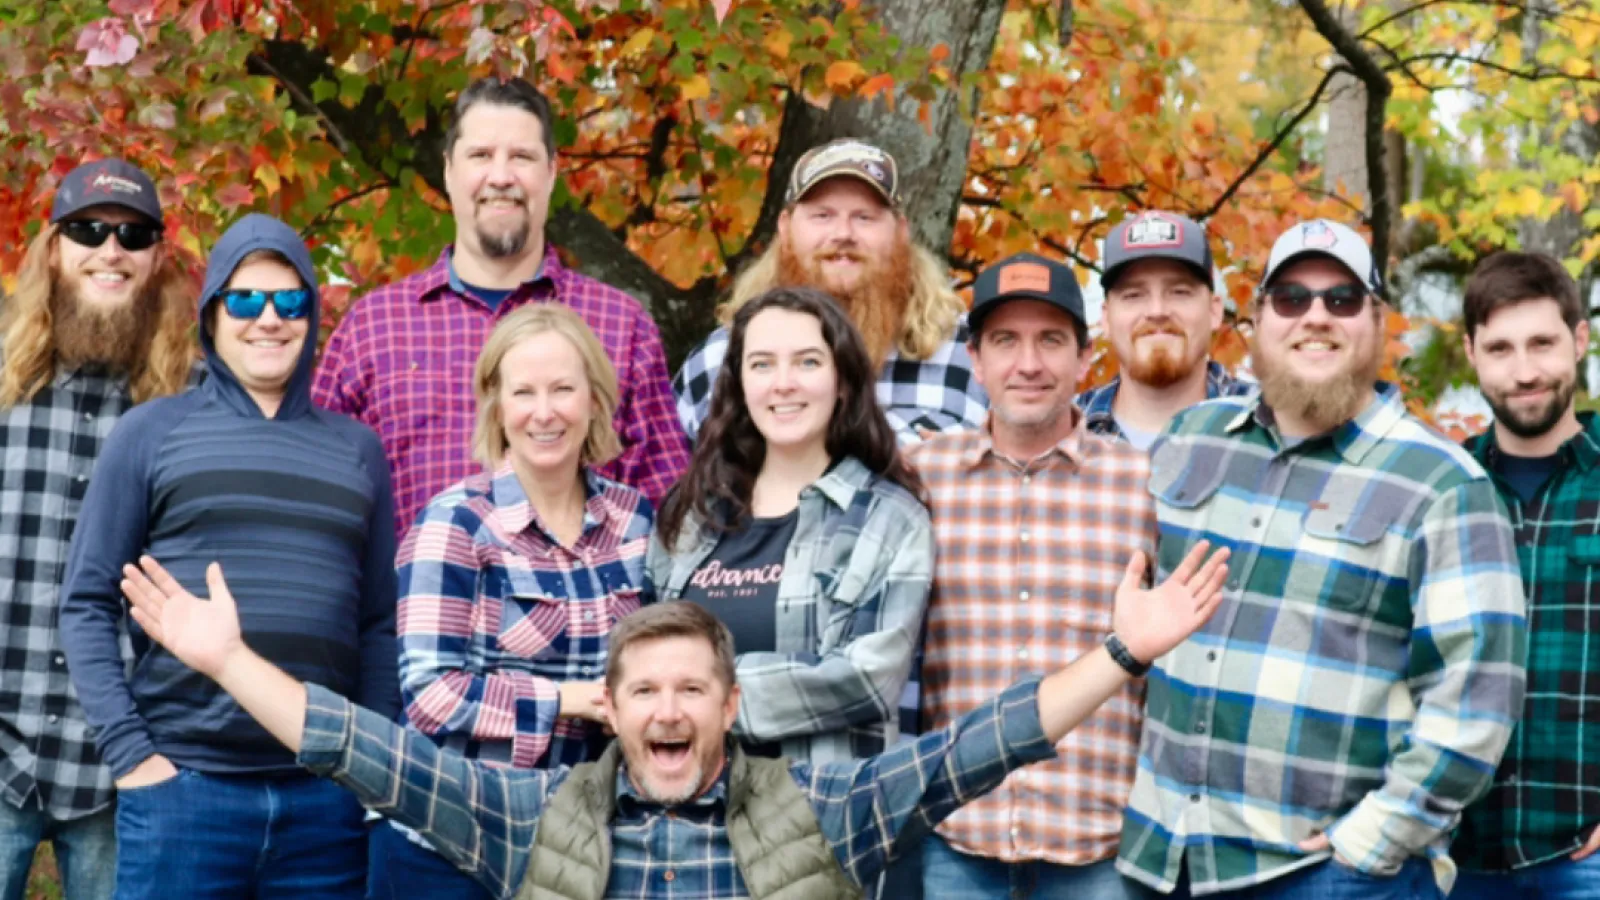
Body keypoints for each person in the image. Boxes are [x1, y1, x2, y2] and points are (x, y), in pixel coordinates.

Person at [113, 527, 1228, 900]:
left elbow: (982, 746)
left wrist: (1125, 649)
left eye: (691, 687)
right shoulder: (529, 815)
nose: (667, 708)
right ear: (611, 707)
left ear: (730, 705)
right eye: (644, 689)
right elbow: (366, 754)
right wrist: (226, 661)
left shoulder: (823, 804)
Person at [1118, 219, 1528, 899]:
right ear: (1254, 321)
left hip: (1324, 875)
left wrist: (1373, 841)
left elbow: (1477, 697)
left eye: (1341, 299)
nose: (1316, 316)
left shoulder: (1443, 484)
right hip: (1163, 864)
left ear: (1376, 319)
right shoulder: (1190, 441)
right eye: (1291, 298)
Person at [59, 214, 399, 899]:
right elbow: (86, 603)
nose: (268, 319)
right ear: (213, 315)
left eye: (290, 300)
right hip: (185, 795)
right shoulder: (150, 433)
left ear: (310, 314)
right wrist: (135, 759)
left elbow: (379, 627)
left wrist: (369, 772)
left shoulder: (357, 450)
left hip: (323, 802)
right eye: (245, 300)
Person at [314, 76, 689, 540]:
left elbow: (668, 513)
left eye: (522, 157)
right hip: (415, 607)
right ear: (448, 170)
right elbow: (321, 500)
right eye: (481, 156)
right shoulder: (372, 329)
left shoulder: (621, 326)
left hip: (588, 606)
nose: (501, 176)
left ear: (552, 172)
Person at [368, 304, 656, 899]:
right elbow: (429, 692)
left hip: (583, 842)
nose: (544, 412)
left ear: (594, 398)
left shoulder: (635, 522)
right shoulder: (455, 524)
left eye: (563, 389)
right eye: (523, 392)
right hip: (451, 836)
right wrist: (563, 701)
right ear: (497, 405)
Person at [913, 253, 1151, 898]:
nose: (1028, 364)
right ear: (974, 358)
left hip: (1100, 846)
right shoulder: (918, 478)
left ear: (1083, 357)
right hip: (955, 839)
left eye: (1050, 340)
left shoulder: (1145, 485)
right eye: (1005, 341)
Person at [0, 158, 193, 900]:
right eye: (88, 230)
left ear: (155, 259)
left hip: (124, 765)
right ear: (53, 248)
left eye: (133, 234)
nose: (110, 250)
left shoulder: (194, 403)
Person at [649, 286, 931, 765]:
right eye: (762, 364)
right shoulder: (691, 513)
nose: (784, 384)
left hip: (819, 816)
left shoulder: (890, 519)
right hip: (688, 820)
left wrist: (698, 696)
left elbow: (867, 679)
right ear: (739, 383)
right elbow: (643, 653)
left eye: (807, 362)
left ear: (843, 380)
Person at [674, 138, 987, 446]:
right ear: (785, 228)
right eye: (822, 216)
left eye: (864, 217)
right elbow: (676, 490)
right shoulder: (718, 361)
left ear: (901, 232)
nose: (843, 234)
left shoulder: (970, 356)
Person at [1451, 251, 1600, 899]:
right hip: (1450, 855)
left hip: (1585, 855)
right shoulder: (1438, 489)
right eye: (1501, 348)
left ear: (1580, 339)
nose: (1525, 371)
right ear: (1471, 353)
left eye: (1542, 343)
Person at [1076, 210, 1251, 448]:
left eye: (1179, 292)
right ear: (1105, 318)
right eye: (1134, 295)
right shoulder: (1058, 434)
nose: (1157, 311)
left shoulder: (1271, 424)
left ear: (1214, 311)